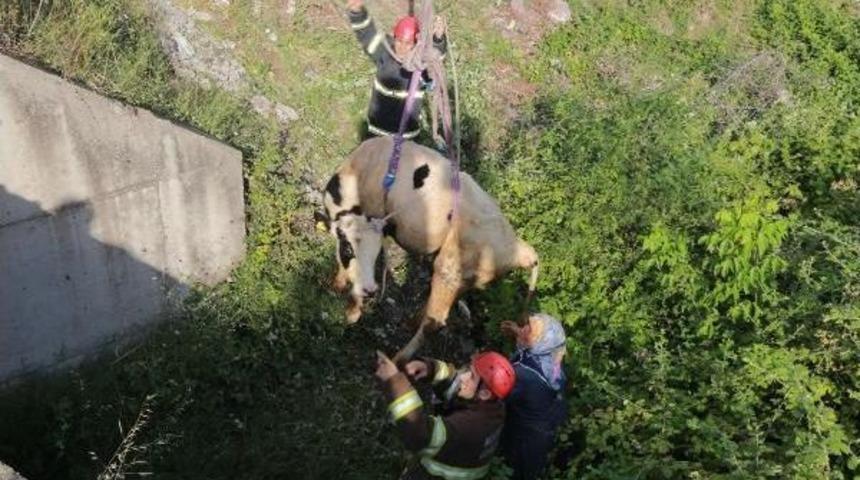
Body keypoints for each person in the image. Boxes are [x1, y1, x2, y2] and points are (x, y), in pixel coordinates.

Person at [374, 350, 516, 480]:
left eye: (472, 376)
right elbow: (456, 385)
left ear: (484, 393)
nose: (463, 377)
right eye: (469, 370)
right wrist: (429, 368)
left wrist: (394, 381)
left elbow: (418, 435)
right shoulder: (493, 406)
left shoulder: (470, 426)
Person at [346, 0, 447, 140]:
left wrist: (438, 39)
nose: (402, 47)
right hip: (377, 133)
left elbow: (435, 61)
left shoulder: (420, 64)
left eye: (408, 43)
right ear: (394, 38)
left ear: (416, 44)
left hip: (407, 137)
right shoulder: (384, 52)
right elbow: (367, 34)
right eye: (399, 41)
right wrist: (357, 12)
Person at [499, 313, 568, 480]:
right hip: (547, 427)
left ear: (541, 343)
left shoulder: (523, 377)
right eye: (526, 325)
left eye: (529, 329)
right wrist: (518, 332)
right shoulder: (553, 359)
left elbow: (493, 394)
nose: (523, 329)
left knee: (515, 472)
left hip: (525, 437)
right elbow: (533, 346)